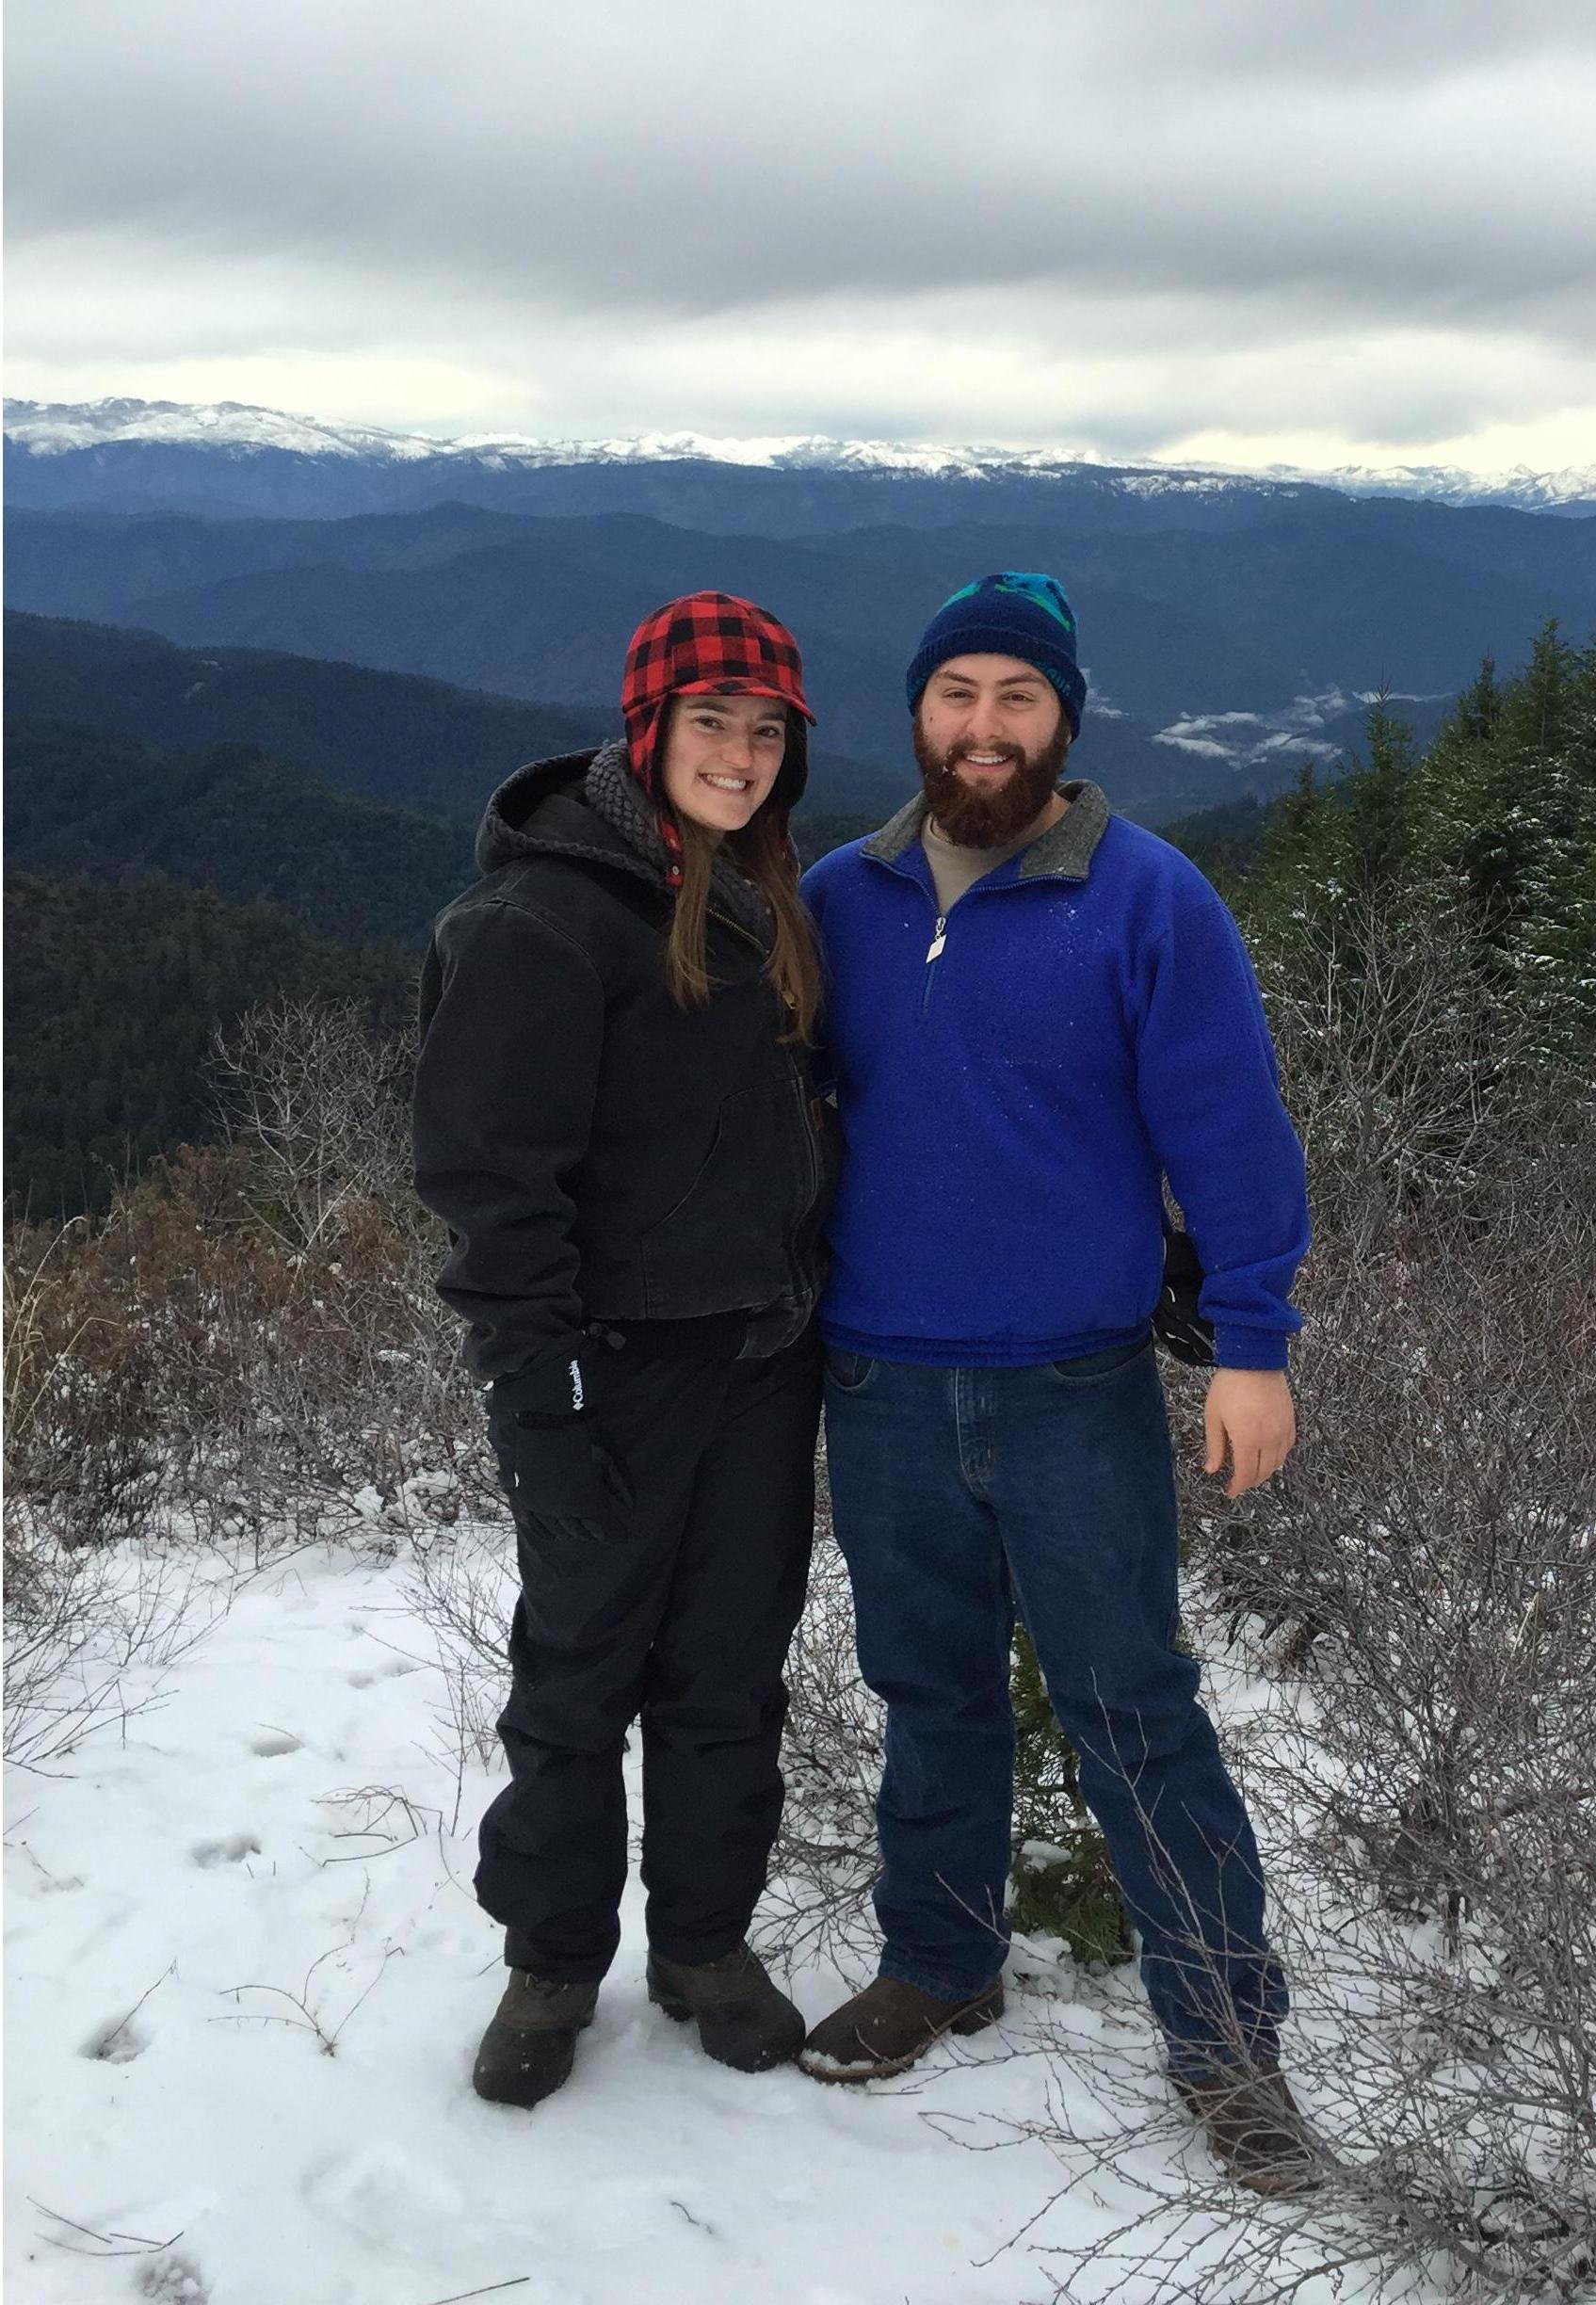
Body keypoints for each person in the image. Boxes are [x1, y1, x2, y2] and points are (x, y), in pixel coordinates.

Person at [798, 572, 1318, 2193]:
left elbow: (1229, 1132)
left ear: (1064, 722)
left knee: (1134, 1713)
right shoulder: (836, 898)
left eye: (1017, 697)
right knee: (927, 1693)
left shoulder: (1148, 901)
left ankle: (1225, 2047)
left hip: (1073, 1387)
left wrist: (1255, 1343)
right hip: (878, 1379)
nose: (983, 727)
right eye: (957, 695)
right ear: (916, 715)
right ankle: (941, 1961)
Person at [412, 591, 835, 2108]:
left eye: (767, 726)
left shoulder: (758, 892)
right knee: (580, 1674)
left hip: (763, 1359)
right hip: (613, 1368)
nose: (739, 750)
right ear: (644, 728)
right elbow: (488, 1182)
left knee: (730, 1671)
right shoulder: (541, 915)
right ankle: (550, 1962)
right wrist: (541, 1388)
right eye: (712, 720)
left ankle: (704, 1949)